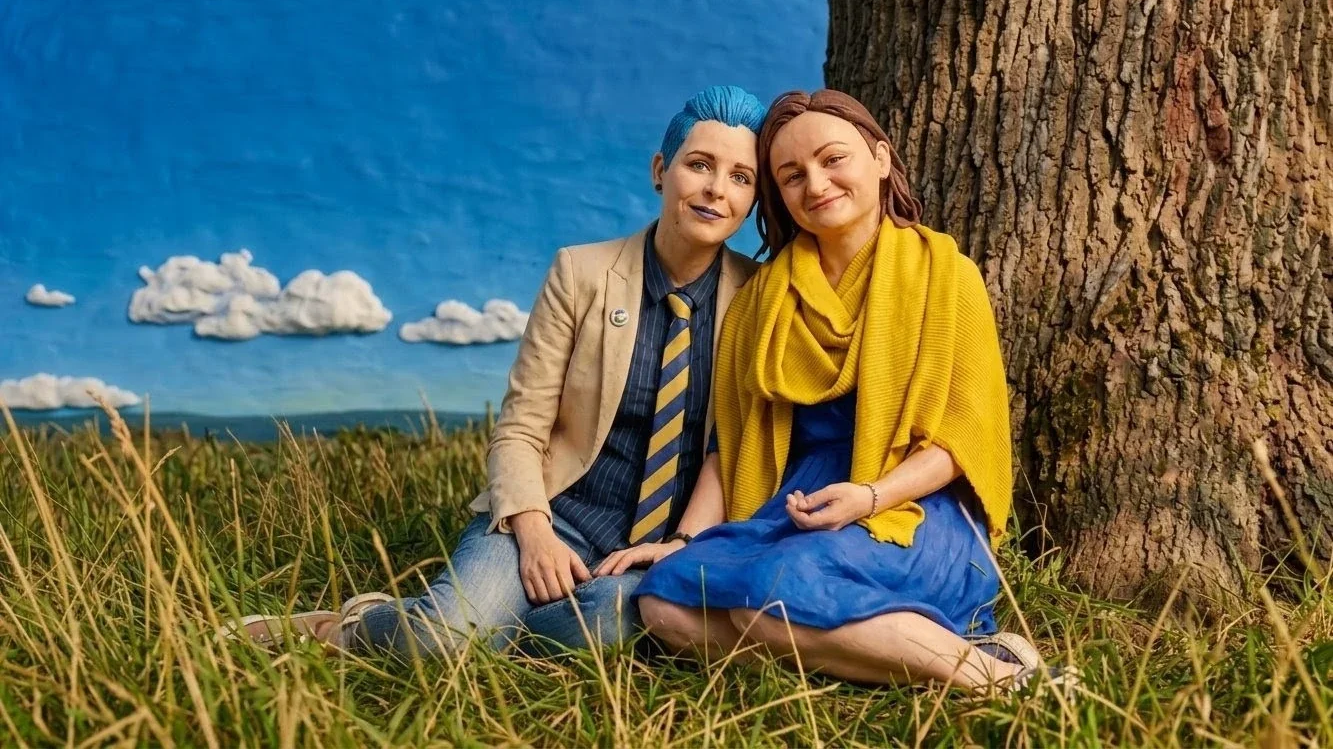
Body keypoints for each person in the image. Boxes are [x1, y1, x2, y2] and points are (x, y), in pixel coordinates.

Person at [223, 85, 765, 656]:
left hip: (659, 545)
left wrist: (683, 542)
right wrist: (534, 534)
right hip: (554, 513)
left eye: (740, 177)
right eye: (699, 165)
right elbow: (521, 426)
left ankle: (494, 632)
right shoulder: (581, 273)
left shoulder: (757, 299)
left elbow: (730, 449)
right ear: (662, 170)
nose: (715, 190)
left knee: (611, 619)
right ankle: (352, 627)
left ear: (754, 198)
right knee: (443, 638)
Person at [625, 89, 1064, 694]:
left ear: (880, 158)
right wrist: (681, 541)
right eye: (792, 175)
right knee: (663, 607)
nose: (817, 183)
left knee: (768, 606)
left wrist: (869, 496)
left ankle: (998, 681)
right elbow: (733, 449)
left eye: (834, 159)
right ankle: (909, 649)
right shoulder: (761, 300)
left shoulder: (946, 275)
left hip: (913, 507)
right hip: (798, 508)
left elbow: (964, 441)